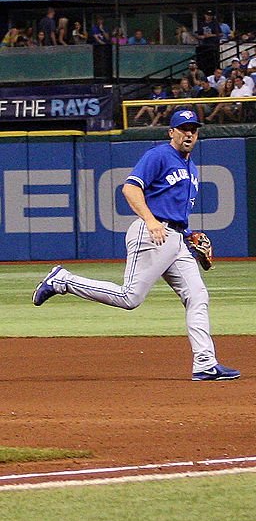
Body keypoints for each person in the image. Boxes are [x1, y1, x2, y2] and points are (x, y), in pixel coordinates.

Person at [31, 108, 240, 382]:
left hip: (175, 239)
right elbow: (130, 188)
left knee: (198, 296)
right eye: (183, 128)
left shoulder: (191, 166)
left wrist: (188, 235)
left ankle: (204, 363)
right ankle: (63, 280)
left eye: (193, 129)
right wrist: (151, 221)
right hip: (152, 233)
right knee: (130, 298)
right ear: (171, 132)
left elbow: (175, 209)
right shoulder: (158, 156)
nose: (189, 133)